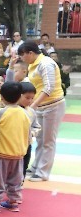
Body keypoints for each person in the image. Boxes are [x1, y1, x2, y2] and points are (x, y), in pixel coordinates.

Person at [18, 41, 66, 182]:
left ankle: (43, 172)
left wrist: (32, 105)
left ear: (30, 53)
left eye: (22, 55)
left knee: (48, 141)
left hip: (53, 105)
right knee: (39, 139)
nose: (22, 58)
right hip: (40, 106)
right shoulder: (33, 64)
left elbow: (49, 88)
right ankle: (36, 167)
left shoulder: (46, 64)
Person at [0, 82, 33, 212]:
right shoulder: (25, 113)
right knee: (15, 179)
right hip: (18, 153)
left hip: (0, 153)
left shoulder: (0, 112)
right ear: (20, 96)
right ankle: (14, 201)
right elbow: (28, 133)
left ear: (2, 97)